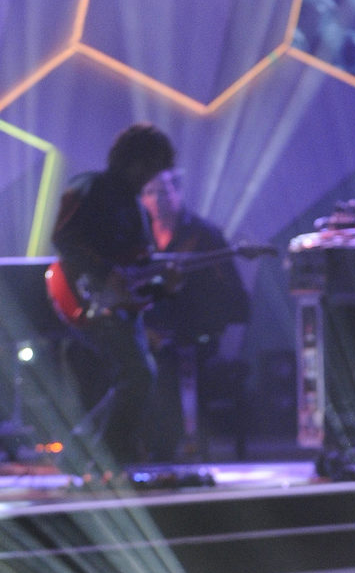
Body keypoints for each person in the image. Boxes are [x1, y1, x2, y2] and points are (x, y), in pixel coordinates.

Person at [50, 123, 177, 470]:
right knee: (137, 374)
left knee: (136, 376)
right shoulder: (89, 188)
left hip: (118, 305)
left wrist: (161, 285)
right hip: (87, 296)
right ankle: (108, 458)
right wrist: (106, 273)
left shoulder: (136, 208)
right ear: (133, 160)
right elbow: (63, 238)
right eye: (149, 168)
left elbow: (137, 267)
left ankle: (84, 455)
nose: (150, 178)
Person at [139, 166, 251, 460]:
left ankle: (172, 451)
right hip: (146, 334)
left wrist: (193, 317)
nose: (157, 199)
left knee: (170, 369)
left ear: (178, 192)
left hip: (194, 335)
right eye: (149, 192)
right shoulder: (138, 239)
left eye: (163, 191)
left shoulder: (204, 235)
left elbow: (232, 296)